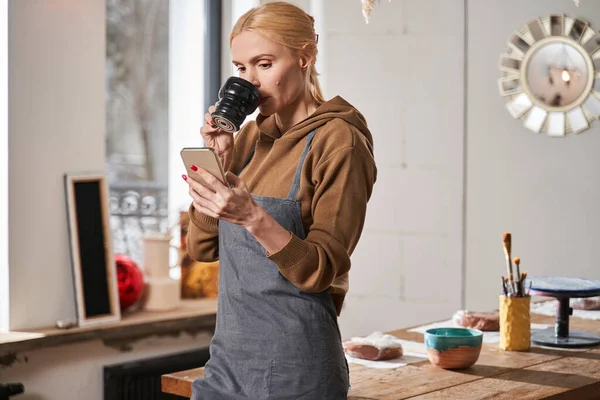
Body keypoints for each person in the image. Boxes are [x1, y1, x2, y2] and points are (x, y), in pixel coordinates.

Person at [183, 2, 377, 398]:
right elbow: (201, 248)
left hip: (298, 370)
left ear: (304, 57)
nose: (250, 81)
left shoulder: (340, 141)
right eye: (240, 68)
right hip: (227, 364)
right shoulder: (250, 138)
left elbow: (321, 269)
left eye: (264, 64)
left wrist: (254, 218)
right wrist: (218, 163)